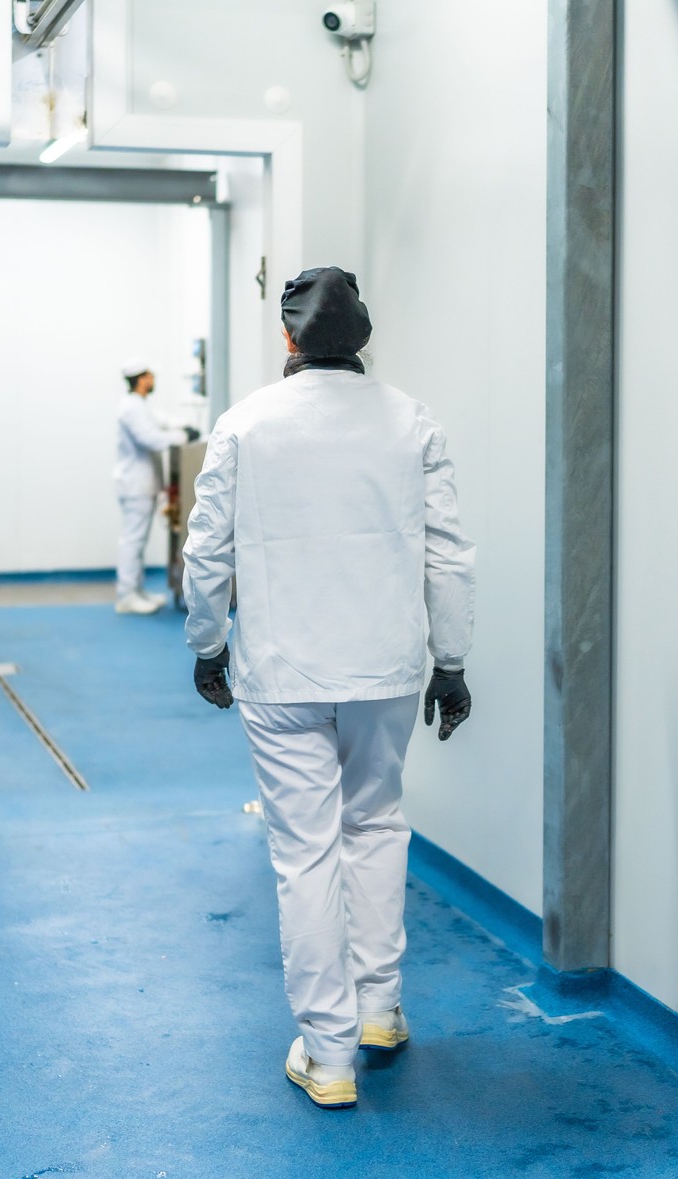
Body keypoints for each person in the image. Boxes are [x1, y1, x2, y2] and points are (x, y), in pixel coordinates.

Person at [181, 267, 477, 1109]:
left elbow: (209, 551)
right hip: (386, 668)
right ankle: (380, 1008)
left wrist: (208, 644)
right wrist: (451, 660)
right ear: (364, 338)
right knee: (377, 825)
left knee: (304, 850)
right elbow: (449, 551)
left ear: (288, 337)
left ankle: (329, 1054)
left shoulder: (245, 425)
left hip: (281, 672)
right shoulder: (412, 420)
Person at [114, 361, 200, 615]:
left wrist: (182, 425)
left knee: (137, 540)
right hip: (135, 485)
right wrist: (183, 437)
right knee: (133, 540)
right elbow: (149, 438)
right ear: (141, 379)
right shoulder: (131, 408)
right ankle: (126, 595)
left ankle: (136, 591)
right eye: (150, 376)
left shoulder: (140, 406)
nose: (153, 380)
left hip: (143, 485)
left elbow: (160, 420)